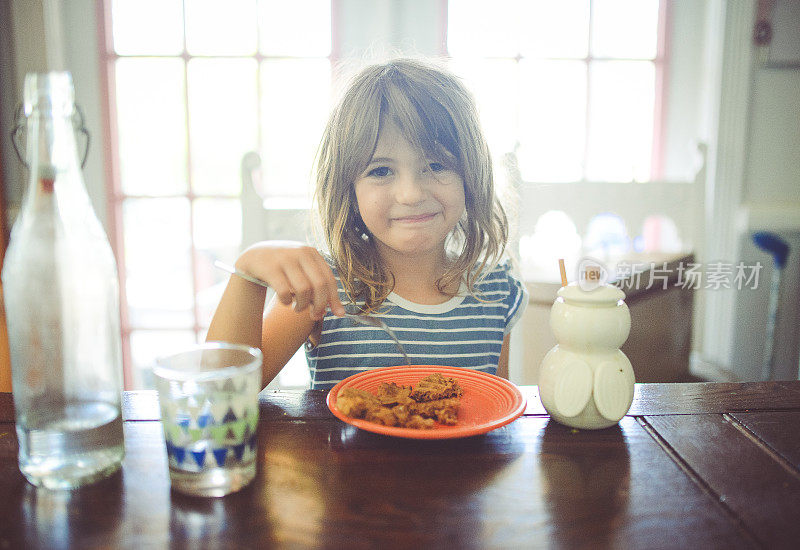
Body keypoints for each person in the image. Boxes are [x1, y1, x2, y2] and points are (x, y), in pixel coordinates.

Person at [207, 58, 528, 389]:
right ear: (349, 189)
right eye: (381, 170)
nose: (411, 194)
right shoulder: (322, 288)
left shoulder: (497, 292)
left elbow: (493, 415)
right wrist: (247, 273)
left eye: (436, 164)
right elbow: (219, 396)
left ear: (471, 175)